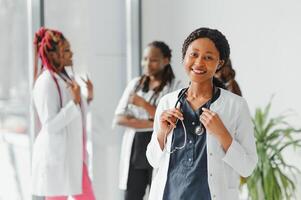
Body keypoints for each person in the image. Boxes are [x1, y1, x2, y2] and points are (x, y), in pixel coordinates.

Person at [146, 28, 258, 200]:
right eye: (194, 54)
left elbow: (247, 167)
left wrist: (222, 134)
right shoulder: (167, 103)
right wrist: (162, 133)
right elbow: (153, 160)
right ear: (184, 57)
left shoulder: (236, 106)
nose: (199, 63)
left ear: (219, 63)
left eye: (208, 57)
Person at [113, 41, 183, 200]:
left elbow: (173, 120)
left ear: (165, 61)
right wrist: (154, 122)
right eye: (145, 59)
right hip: (135, 148)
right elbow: (119, 118)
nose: (147, 63)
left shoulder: (176, 87)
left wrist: (142, 104)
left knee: (160, 194)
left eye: (153, 60)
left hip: (161, 143)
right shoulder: (135, 84)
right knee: (132, 195)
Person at [31, 27, 95, 200]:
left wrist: (87, 99)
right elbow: (50, 125)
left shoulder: (65, 79)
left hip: (74, 156)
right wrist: (75, 102)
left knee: (87, 196)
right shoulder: (45, 82)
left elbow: (75, 116)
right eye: (66, 50)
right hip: (57, 157)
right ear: (52, 55)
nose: (71, 53)